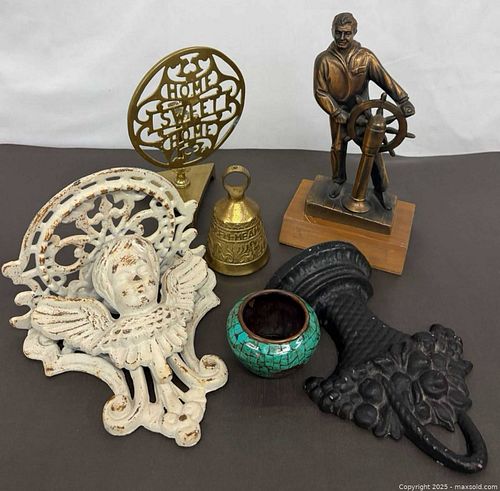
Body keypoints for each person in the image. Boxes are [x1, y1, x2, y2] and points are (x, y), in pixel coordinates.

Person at [314, 12, 415, 207]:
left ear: (355, 32)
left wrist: (403, 100)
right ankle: (338, 180)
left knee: (373, 151)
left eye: (347, 33)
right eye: (338, 32)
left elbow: (385, 79)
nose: (342, 37)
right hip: (338, 113)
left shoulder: (365, 57)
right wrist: (336, 112)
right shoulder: (324, 60)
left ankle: (381, 189)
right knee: (337, 148)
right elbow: (320, 92)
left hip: (363, 113)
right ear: (332, 31)